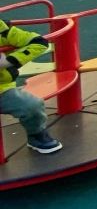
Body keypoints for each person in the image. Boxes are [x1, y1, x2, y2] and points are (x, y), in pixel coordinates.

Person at [0, 17, 61, 154]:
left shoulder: (3, 31)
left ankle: (36, 135)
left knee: (31, 105)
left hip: (2, 89)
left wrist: (8, 61)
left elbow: (39, 42)